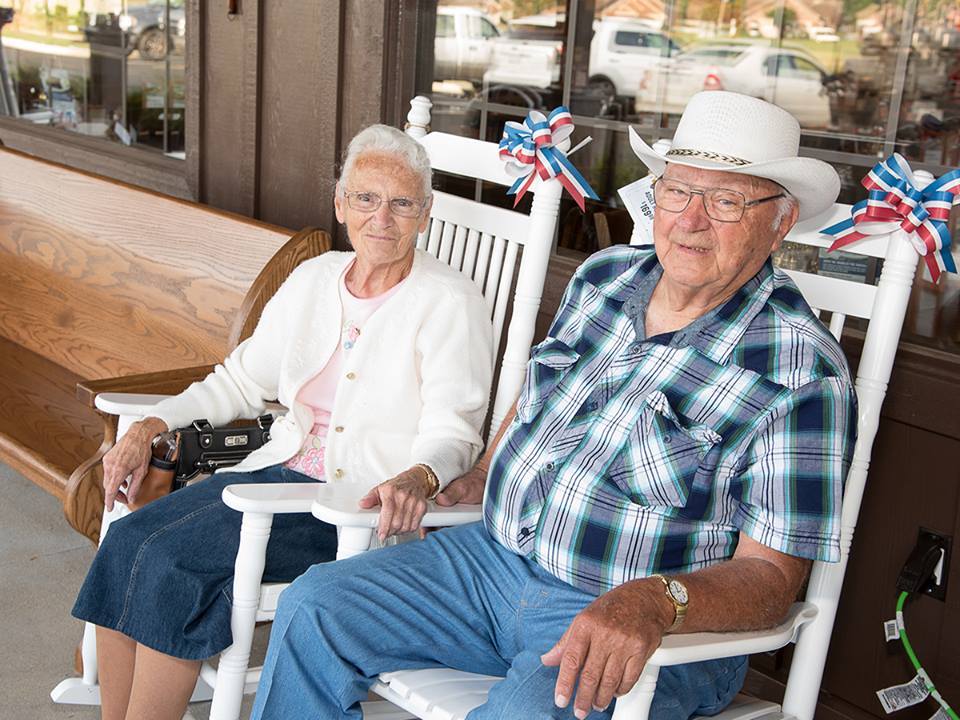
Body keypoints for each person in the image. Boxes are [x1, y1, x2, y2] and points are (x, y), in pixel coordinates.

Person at [248, 91, 858, 720]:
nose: (690, 219)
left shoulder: (801, 373)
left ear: (779, 222)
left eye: (726, 201)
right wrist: (483, 473)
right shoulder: (605, 277)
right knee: (315, 606)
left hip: (632, 624)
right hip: (490, 563)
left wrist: (656, 600)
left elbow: (772, 582)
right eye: (677, 192)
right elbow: (539, 394)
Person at [71, 124, 494, 720]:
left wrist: (421, 476)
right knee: (125, 542)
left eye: (402, 203)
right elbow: (240, 382)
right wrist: (151, 426)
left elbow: (455, 430)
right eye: (367, 199)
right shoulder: (313, 279)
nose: (383, 218)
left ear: (425, 214)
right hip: (273, 475)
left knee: (173, 564)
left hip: (352, 505)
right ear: (340, 203)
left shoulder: (452, 303)